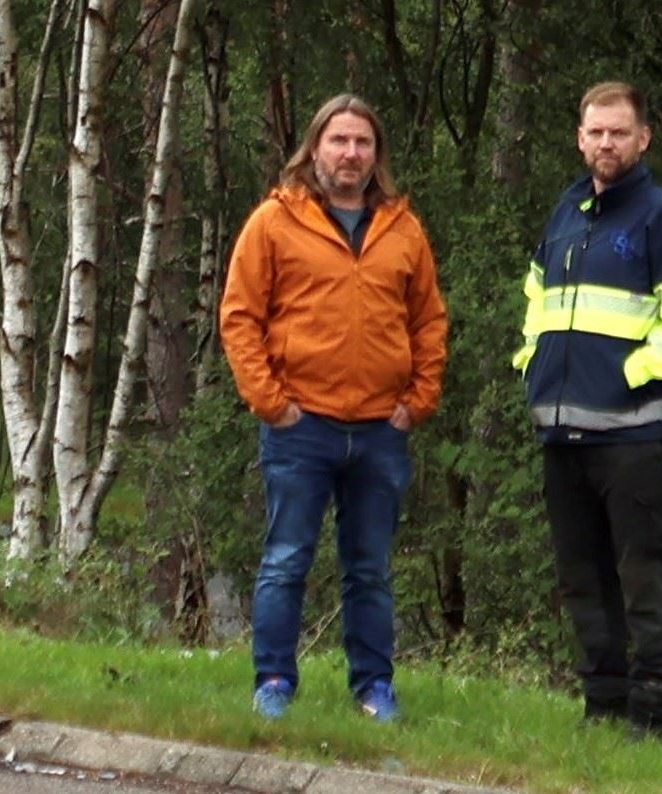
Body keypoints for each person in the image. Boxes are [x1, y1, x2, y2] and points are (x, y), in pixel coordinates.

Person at [219, 94, 447, 722]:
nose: (351, 154)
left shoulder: (403, 227)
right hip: (302, 426)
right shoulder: (275, 220)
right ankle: (272, 683)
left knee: (369, 569)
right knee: (286, 561)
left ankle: (374, 689)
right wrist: (271, 403)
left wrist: (418, 400)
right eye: (339, 141)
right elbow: (239, 316)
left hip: (380, 429)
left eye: (363, 143)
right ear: (314, 148)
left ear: (377, 155)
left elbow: (429, 319)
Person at [512, 81, 662, 739]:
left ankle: (656, 712)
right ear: (580, 138)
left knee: (642, 580)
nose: (605, 143)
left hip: (630, 435)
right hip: (560, 430)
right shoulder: (566, 212)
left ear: (641, 138)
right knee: (581, 580)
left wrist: (636, 371)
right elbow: (535, 297)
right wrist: (529, 362)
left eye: (617, 132)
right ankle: (600, 706)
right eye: (594, 132)